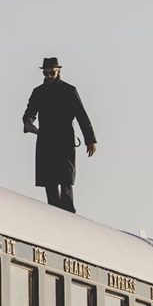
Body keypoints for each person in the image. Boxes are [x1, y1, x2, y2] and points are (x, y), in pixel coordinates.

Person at [21, 57, 97, 213]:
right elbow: (29, 113)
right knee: (50, 182)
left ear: (59, 71)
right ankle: (54, 214)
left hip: (65, 141)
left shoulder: (69, 91)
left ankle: (69, 214)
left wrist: (91, 140)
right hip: (46, 140)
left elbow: (82, 116)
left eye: (51, 73)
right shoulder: (38, 92)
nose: (48, 76)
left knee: (66, 180)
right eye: (46, 73)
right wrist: (28, 123)